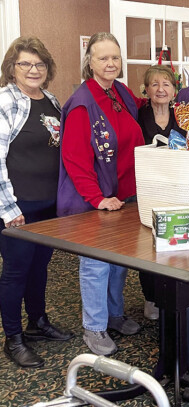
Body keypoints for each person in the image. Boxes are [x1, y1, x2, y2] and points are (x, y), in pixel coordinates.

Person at [57, 32, 146, 356]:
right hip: (93, 199)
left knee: (118, 263)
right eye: (103, 58)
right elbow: (76, 160)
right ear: (90, 62)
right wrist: (97, 199)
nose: (111, 63)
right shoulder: (82, 103)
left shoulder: (120, 92)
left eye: (115, 57)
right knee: (96, 265)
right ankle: (93, 328)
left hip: (121, 196)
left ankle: (113, 314)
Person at [0, 36, 73, 368]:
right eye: (25, 63)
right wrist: (7, 208)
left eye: (39, 64)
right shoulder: (5, 100)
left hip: (48, 205)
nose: (33, 70)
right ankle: (13, 338)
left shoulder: (51, 100)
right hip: (19, 206)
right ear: (12, 67)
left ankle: (38, 321)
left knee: (40, 267)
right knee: (16, 272)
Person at [138, 65, 181, 319]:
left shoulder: (182, 116)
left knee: (174, 242)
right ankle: (152, 297)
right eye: (154, 84)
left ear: (174, 90)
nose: (160, 89)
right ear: (147, 90)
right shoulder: (137, 114)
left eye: (166, 84)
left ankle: (175, 292)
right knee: (149, 244)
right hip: (147, 187)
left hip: (176, 187)